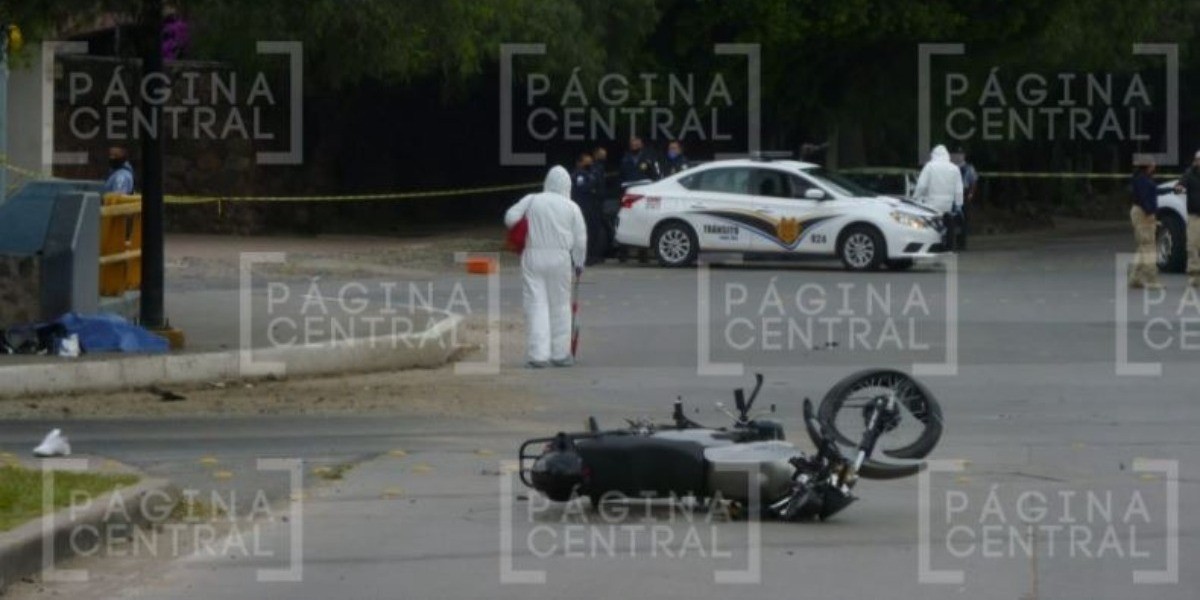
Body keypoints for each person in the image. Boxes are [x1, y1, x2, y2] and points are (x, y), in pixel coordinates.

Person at [504, 166, 587, 368]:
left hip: (533, 256)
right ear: (567, 185)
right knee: (560, 305)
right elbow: (580, 239)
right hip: (560, 259)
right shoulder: (571, 207)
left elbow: (510, 217)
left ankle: (538, 356)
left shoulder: (532, 199)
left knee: (536, 304)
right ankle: (561, 354)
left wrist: (526, 224)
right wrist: (579, 263)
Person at [913, 145, 964, 251]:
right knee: (948, 224)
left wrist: (915, 198)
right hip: (947, 204)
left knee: (931, 226)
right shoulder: (954, 168)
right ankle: (949, 247)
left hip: (931, 202)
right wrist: (959, 204)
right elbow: (959, 189)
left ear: (933, 154)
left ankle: (932, 246)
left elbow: (922, 185)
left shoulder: (930, 166)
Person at [1130, 159, 1162, 289]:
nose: (1155, 165)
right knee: (1148, 247)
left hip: (1142, 213)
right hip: (1143, 214)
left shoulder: (1143, 178)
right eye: (1153, 163)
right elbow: (1145, 198)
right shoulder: (1142, 180)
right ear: (1148, 166)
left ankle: (1135, 278)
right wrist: (1150, 213)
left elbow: (1152, 192)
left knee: (1143, 247)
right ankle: (1152, 279)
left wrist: (1171, 189)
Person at [571, 153, 603, 265]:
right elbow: (583, 188)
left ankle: (591, 256)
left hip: (592, 207)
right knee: (582, 233)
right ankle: (581, 257)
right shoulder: (578, 175)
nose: (589, 164)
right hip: (582, 207)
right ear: (580, 163)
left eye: (590, 162)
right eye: (587, 162)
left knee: (593, 232)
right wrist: (593, 182)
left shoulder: (591, 173)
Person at [1174, 150, 1200, 287]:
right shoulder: (1190, 174)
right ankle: (1194, 275)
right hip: (1195, 216)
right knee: (1193, 246)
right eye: (1198, 160)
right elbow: (1180, 184)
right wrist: (1178, 187)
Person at [950, 147, 977, 250]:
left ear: (964, 155)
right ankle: (952, 242)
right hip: (952, 194)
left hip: (964, 194)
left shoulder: (969, 167)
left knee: (964, 219)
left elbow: (973, 182)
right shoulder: (950, 167)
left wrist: (970, 194)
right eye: (957, 154)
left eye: (961, 154)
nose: (959, 156)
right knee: (952, 219)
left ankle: (962, 243)